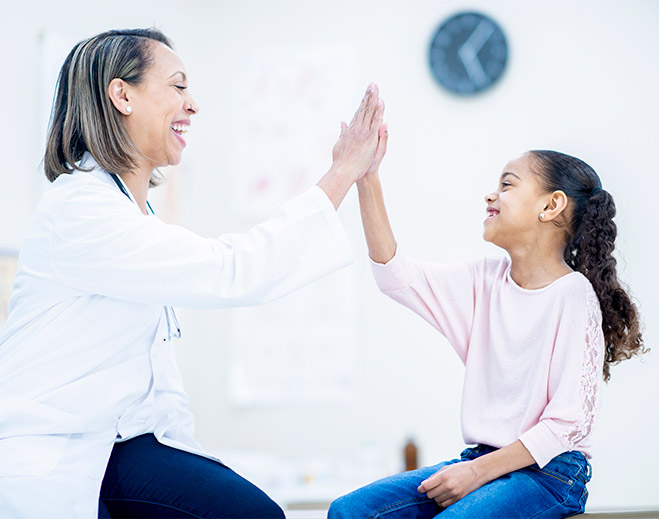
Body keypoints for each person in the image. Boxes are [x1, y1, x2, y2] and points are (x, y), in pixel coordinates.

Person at [0, 28, 384, 518]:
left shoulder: (132, 213)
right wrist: (341, 172)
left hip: (120, 444)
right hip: (63, 453)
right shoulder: (81, 210)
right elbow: (234, 269)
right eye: (178, 86)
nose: (193, 104)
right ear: (122, 95)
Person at [329, 131, 646, 518]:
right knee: (351, 511)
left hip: (550, 475)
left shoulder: (573, 295)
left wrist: (476, 473)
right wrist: (367, 177)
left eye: (507, 185)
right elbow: (396, 277)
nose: (490, 195)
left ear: (551, 206)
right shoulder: (484, 281)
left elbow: (566, 426)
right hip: (481, 462)